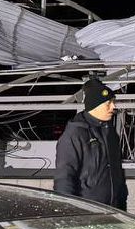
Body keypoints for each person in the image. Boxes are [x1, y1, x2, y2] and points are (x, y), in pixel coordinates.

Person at [54, 77, 128, 210]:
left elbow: (118, 173)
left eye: (113, 102)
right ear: (95, 105)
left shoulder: (110, 133)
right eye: (108, 103)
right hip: (87, 211)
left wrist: (122, 206)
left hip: (114, 210)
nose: (113, 107)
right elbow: (64, 177)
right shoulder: (75, 134)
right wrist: (68, 211)